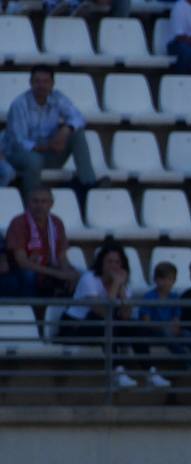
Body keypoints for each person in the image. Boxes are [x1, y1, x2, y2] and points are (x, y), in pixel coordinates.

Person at [61, 243, 162, 389]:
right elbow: (102, 311)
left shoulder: (122, 283)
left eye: (117, 262)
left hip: (102, 326)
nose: (113, 266)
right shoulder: (89, 278)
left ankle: (150, 372)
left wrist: (121, 288)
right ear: (101, 263)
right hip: (75, 327)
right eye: (109, 261)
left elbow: (126, 315)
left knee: (135, 326)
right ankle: (118, 373)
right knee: (106, 323)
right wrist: (115, 284)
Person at [3, 66, 100, 197]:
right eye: (37, 81)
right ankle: (32, 202)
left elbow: (78, 117)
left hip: (49, 151)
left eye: (45, 81)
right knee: (34, 161)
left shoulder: (57, 97)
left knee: (77, 133)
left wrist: (66, 129)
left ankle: (88, 185)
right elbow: (19, 142)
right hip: (19, 155)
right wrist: (48, 146)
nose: (41, 85)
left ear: (52, 84)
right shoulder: (19, 104)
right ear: (30, 83)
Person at [1, 185, 78, 316]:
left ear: (51, 204)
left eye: (44, 201)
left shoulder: (56, 222)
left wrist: (68, 272)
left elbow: (62, 257)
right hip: (19, 272)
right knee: (29, 275)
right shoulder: (19, 222)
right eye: (35, 201)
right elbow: (22, 262)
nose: (39, 205)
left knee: (80, 275)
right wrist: (56, 273)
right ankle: (29, 316)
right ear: (28, 203)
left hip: (47, 270)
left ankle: (67, 320)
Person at [139, 260, 191, 373]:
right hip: (154, 331)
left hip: (171, 330)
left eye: (169, 279)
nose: (166, 282)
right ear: (155, 280)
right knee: (166, 333)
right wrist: (164, 327)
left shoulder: (175, 297)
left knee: (189, 334)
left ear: (174, 280)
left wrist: (175, 325)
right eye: (162, 279)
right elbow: (146, 321)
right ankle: (190, 361)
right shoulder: (148, 297)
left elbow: (177, 317)